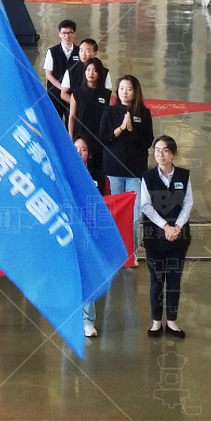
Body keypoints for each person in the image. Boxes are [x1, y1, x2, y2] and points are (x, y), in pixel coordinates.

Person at [141, 135, 192, 339]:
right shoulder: (147, 177)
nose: (160, 155)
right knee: (156, 280)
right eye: (157, 150)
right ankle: (156, 322)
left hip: (178, 237)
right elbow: (146, 206)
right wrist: (165, 227)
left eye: (165, 151)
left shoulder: (184, 176)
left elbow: (188, 203)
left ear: (173, 154)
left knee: (174, 280)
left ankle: (171, 321)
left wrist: (176, 227)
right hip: (155, 237)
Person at [99, 74, 154, 260]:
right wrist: (121, 128)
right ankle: (114, 253)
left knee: (134, 215)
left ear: (135, 91)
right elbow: (103, 138)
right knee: (114, 213)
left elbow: (147, 141)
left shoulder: (144, 113)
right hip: (113, 170)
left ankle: (132, 253)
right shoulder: (109, 112)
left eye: (129, 89)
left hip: (135, 172)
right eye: (121, 88)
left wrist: (132, 130)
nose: (125, 92)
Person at [74, 135, 108, 337]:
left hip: (91, 234)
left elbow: (110, 204)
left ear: (89, 154)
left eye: (84, 149)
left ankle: (87, 321)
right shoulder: (62, 175)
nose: (80, 153)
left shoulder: (99, 177)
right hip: (69, 233)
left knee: (88, 276)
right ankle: (70, 320)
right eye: (76, 149)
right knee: (72, 277)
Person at [67, 57, 111, 170]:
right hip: (81, 135)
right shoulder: (77, 93)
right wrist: (71, 138)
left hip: (98, 137)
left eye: (95, 70)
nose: (91, 73)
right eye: (88, 70)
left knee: (97, 168)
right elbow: (72, 117)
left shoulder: (105, 94)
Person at [42, 19, 77, 119]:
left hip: (72, 95)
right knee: (54, 121)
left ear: (74, 34)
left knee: (72, 121)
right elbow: (48, 75)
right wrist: (62, 88)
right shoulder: (52, 52)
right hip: (55, 94)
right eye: (64, 33)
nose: (67, 36)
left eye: (70, 33)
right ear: (59, 34)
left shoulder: (80, 52)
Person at [60, 38, 112, 104]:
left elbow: (107, 95)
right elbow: (63, 94)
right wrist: (78, 105)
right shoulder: (71, 70)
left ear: (95, 53)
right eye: (81, 50)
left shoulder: (104, 72)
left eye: (87, 51)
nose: (83, 54)